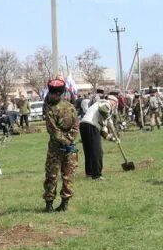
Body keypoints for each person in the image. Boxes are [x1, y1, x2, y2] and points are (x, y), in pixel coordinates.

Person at [42, 79, 79, 212]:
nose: (53, 96)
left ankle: (59, 204)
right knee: (58, 176)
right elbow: (57, 130)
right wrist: (68, 141)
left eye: (55, 93)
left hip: (60, 148)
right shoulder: (64, 107)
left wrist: (66, 141)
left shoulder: (61, 108)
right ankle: (54, 204)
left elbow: (56, 130)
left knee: (61, 176)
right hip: (63, 148)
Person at [80, 96, 118, 180]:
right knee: (97, 152)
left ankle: (89, 174)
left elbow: (103, 132)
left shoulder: (98, 105)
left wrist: (113, 139)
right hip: (91, 125)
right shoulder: (106, 104)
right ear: (114, 102)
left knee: (89, 151)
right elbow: (103, 110)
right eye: (115, 105)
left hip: (83, 124)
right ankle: (97, 175)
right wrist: (109, 119)